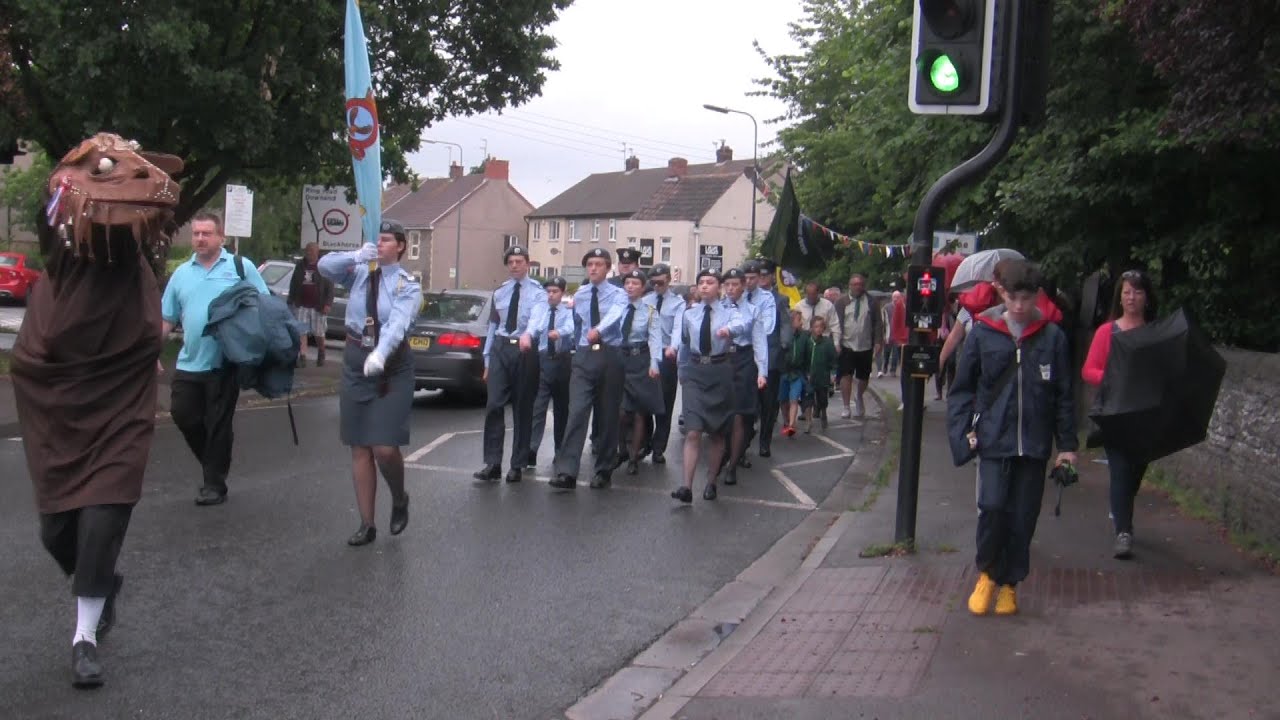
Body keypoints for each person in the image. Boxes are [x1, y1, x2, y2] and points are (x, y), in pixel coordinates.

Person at [12, 133, 183, 688]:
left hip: (120, 399)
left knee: (104, 514)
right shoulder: (63, 244)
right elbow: (56, 206)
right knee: (56, 530)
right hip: (58, 395)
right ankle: (100, 582)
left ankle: (84, 636)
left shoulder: (135, 254)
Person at [946, 260, 1077, 617]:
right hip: (993, 440)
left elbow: (1064, 395)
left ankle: (1009, 584)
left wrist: (1066, 447)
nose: (1019, 306)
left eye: (1027, 298)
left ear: (1037, 296)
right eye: (1013, 297)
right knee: (991, 507)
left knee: (1022, 518)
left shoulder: (1052, 338)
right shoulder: (983, 333)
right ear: (1001, 292)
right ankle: (988, 573)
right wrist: (962, 436)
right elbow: (962, 390)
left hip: (1033, 444)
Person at [318, 219, 423, 546]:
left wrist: (380, 354)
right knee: (360, 445)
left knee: (384, 447)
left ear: (401, 246)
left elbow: (398, 324)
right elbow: (323, 266)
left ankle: (399, 496)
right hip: (355, 359)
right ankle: (367, 522)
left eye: (386, 240)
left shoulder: (408, 285)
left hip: (390, 365)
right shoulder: (361, 270)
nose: (379, 244)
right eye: (376, 239)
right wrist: (356, 255)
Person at [161, 210, 269, 506]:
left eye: (206, 233)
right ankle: (213, 464)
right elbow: (166, 318)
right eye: (196, 233)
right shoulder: (182, 274)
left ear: (221, 236)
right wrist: (150, 352)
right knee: (183, 414)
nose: (200, 238)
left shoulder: (239, 267)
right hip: (188, 361)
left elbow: (264, 305)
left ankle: (213, 484)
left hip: (225, 362)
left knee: (219, 423)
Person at [1082, 268, 1159, 560]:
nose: (1131, 297)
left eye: (1137, 292)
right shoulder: (1107, 332)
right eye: (1126, 291)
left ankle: (1121, 508)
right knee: (1120, 471)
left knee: (1134, 473)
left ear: (1147, 298)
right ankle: (1123, 532)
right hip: (1114, 414)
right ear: (1119, 296)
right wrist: (1115, 377)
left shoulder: (1155, 333)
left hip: (1144, 417)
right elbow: (1088, 370)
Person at [549, 248, 628, 490]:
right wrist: (569, 346)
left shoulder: (619, 294)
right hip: (584, 357)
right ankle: (567, 471)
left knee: (606, 415)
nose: (593, 268)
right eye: (589, 264)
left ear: (607, 268)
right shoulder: (581, 294)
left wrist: (599, 330)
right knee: (577, 411)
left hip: (609, 355)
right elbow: (577, 325)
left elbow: (616, 315)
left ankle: (603, 469)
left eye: (598, 264)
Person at [669, 270, 747, 502]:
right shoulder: (689, 313)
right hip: (694, 371)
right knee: (693, 431)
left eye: (710, 282)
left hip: (719, 371)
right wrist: (681, 369)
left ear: (719, 287)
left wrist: (728, 330)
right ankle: (686, 487)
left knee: (716, 432)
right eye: (701, 282)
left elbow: (742, 324)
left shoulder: (730, 312)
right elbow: (684, 343)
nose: (704, 286)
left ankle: (712, 480)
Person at [474, 245, 546, 484]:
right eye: (511, 262)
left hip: (525, 349)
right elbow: (493, 326)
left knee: (522, 408)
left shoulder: (537, 292)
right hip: (501, 349)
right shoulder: (501, 292)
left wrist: (529, 334)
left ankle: (517, 464)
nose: (514, 265)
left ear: (528, 263)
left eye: (519, 261)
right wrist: (487, 358)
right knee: (494, 405)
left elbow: (538, 316)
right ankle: (493, 463)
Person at [718, 267, 768, 485]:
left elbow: (759, 341)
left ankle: (732, 466)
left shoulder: (752, 310)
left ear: (743, 286)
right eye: (727, 284)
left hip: (744, 360)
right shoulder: (717, 308)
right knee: (723, 414)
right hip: (722, 361)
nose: (731, 288)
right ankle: (724, 454)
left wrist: (762, 371)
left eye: (735, 284)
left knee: (739, 414)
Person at [615, 269, 665, 474]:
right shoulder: (616, 308)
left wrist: (655, 363)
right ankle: (621, 449)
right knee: (620, 412)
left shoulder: (650, 310)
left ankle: (634, 457)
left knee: (638, 412)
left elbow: (654, 338)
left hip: (641, 359)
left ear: (643, 287)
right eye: (627, 283)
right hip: (620, 359)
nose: (630, 286)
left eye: (635, 283)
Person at [526, 275, 576, 466]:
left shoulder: (567, 311)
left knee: (561, 409)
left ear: (562, 293)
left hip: (562, 361)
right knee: (538, 407)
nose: (551, 295)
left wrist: (559, 332)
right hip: (543, 360)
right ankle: (532, 449)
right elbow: (534, 326)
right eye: (548, 291)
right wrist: (534, 331)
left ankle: (559, 449)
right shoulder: (540, 309)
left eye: (555, 292)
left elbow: (571, 327)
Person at [643, 264, 683, 464]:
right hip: (647, 355)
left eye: (660, 282)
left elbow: (678, 328)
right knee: (645, 402)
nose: (657, 286)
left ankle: (659, 447)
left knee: (665, 404)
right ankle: (645, 442)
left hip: (667, 356)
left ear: (668, 279)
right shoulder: (646, 301)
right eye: (653, 283)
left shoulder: (677, 303)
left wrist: (673, 347)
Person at [752, 260, 791, 457]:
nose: (762, 279)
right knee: (750, 401)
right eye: (759, 276)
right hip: (750, 357)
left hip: (771, 355)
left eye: (765, 276)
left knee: (769, 402)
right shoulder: (748, 297)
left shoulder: (780, 299)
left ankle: (764, 441)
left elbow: (785, 324)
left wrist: (784, 345)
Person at [834, 273, 882, 419]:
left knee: (864, 377)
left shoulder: (871, 302)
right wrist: (836, 342)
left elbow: (878, 323)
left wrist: (878, 342)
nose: (858, 287)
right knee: (845, 375)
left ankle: (859, 395)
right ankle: (846, 406)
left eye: (860, 284)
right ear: (850, 286)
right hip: (847, 344)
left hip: (865, 345)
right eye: (855, 284)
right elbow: (836, 323)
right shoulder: (841, 302)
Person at [287, 241, 334, 367]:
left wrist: (328, 304)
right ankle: (302, 356)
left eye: (311, 251)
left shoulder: (323, 266)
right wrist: (291, 300)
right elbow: (293, 283)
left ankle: (321, 351)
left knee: (319, 333)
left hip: (318, 305)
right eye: (307, 251)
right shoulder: (300, 265)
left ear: (317, 252)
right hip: (302, 304)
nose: (309, 253)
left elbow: (330, 287)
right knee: (301, 331)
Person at [778, 309, 811, 436]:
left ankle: (791, 424)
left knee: (794, 399)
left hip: (797, 373)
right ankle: (786, 421)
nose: (801, 323)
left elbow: (808, 354)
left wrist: (807, 371)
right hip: (783, 372)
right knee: (783, 400)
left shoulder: (804, 336)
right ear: (792, 321)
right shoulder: (782, 335)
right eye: (799, 320)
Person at [805, 317, 838, 433]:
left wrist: (833, 373)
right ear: (811, 328)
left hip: (822, 375)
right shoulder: (808, 342)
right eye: (816, 327)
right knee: (808, 397)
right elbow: (804, 358)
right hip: (810, 375)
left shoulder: (827, 343)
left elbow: (833, 359)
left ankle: (823, 412)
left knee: (822, 397)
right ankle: (809, 421)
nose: (818, 329)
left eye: (821, 327)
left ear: (824, 328)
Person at [795, 281, 840, 346]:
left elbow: (835, 325)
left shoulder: (828, 306)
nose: (811, 296)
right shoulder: (799, 306)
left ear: (818, 293)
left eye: (813, 294)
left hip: (824, 342)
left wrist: (836, 344)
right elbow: (796, 327)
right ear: (805, 294)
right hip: (805, 342)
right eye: (808, 294)